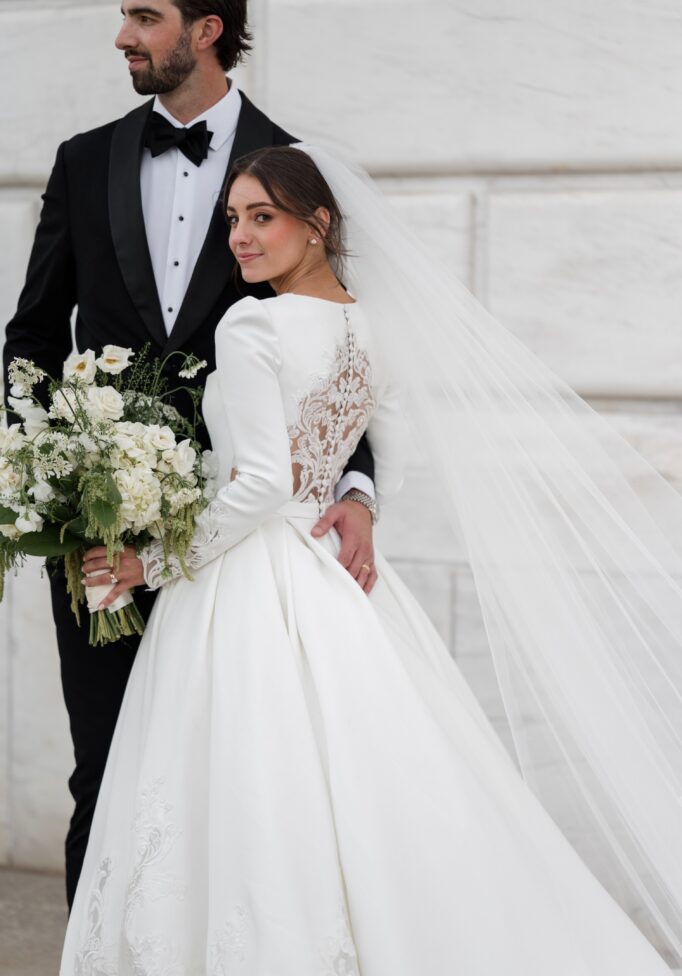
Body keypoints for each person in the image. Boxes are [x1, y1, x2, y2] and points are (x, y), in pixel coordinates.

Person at [61, 145, 681, 973]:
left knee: (246, 784)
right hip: (325, 571)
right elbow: (389, 446)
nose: (240, 238)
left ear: (317, 225)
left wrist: (154, 564)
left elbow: (254, 484)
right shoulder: (371, 326)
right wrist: (360, 503)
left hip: (249, 578)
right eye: (232, 219)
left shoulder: (252, 323)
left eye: (261, 217)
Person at [2, 0, 376, 910]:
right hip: (98, 532)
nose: (122, 35)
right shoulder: (84, 161)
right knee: (107, 769)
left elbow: (332, 337)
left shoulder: (292, 169)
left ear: (204, 30)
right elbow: (33, 337)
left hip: (242, 553)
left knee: (243, 781)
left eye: (143, 17)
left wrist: (355, 486)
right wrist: (48, 471)